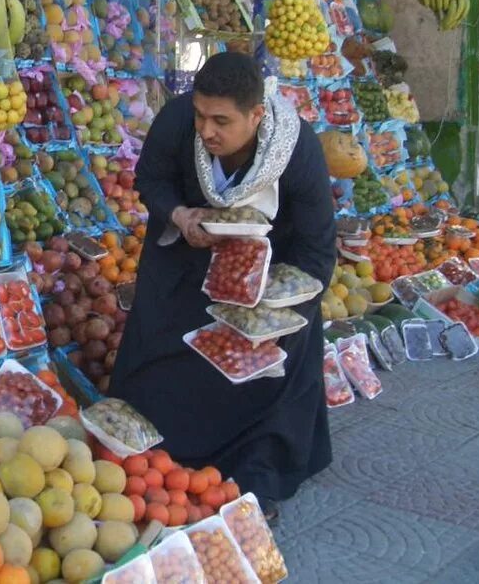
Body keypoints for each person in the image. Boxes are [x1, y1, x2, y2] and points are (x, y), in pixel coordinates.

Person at [109, 52, 336, 522]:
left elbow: (316, 250)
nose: (207, 130)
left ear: (256, 115)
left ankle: (257, 475)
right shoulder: (178, 122)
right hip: (185, 259)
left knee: (271, 367)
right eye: (200, 115)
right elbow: (149, 179)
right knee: (161, 349)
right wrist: (179, 214)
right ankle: (156, 460)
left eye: (221, 121)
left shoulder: (298, 151)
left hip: (267, 274)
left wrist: (279, 315)